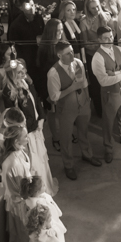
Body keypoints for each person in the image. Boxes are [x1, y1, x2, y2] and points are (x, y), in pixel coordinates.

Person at [0, 59, 57, 196]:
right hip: (27, 132)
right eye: (19, 72)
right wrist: (34, 125)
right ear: (11, 74)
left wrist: (42, 118)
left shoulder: (27, 83)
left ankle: (45, 186)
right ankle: (36, 190)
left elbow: (37, 101)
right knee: (33, 161)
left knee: (41, 158)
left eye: (24, 70)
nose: (23, 73)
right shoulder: (8, 93)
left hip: (37, 127)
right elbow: (15, 117)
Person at [47, 41, 97, 179]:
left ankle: (87, 155)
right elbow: (54, 96)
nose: (72, 55)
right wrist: (71, 88)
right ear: (59, 55)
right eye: (67, 53)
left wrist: (87, 100)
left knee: (84, 132)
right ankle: (68, 165)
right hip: (66, 111)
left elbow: (84, 82)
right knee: (66, 139)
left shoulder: (78, 63)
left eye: (71, 51)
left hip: (83, 105)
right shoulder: (53, 73)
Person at [91, 26, 121, 163]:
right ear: (99, 39)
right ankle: (108, 148)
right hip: (109, 93)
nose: (109, 40)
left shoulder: (120, 50)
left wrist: (116, 73)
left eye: (111, 37)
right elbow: (104, 81)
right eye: (106, 38)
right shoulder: (97, 58)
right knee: (108, 121)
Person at [0, 125, 33, 242]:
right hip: (20, 204)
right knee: (24, 235)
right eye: (25, 136)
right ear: (16, 141)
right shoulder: (12, 163)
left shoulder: (20, 152)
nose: (27, 138)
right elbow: (20, 190)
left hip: (24, 197)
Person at [80, 0, 112, 117]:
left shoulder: (106, 16)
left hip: (107, 54)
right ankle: (99, 110)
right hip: (92, 56)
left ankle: (110, 107)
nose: (96, 10)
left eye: (97, 7)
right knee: (96, 84)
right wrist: (100, 44)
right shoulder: (83, 22)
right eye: (93, 8)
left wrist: (102, 43)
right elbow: (85, 43)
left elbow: (111, 37)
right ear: (88, 9)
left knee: (109, 80)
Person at [34, 18, 64, 149]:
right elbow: (40, 75)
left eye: (62, 30)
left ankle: (65, 134)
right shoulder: (44, 49)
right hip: (50, 88)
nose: (60, 33)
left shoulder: (63, 44)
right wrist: (45, 94)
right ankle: (56, 137)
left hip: (65, 86)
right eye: (57, 31)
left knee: (64, 112)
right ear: (51, 32)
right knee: (53, 114)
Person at [7, 0, 45, 81]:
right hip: (28, 58)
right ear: (21, 8)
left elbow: (43, 32)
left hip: (40, 54)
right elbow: (14, 45)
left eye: (32, 5)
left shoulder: (38, 18)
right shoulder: (16, 25)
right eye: (27, 7)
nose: (31, 9)